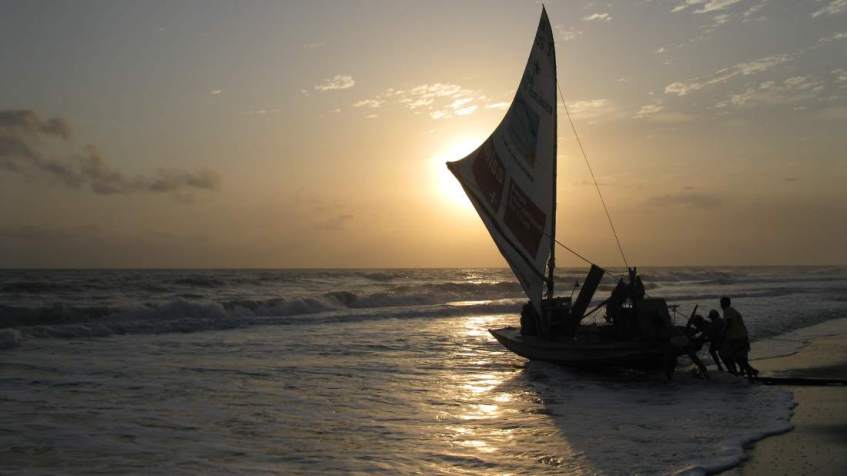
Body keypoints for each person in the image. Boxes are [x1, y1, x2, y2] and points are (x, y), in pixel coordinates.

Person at [720, 296, 758, 379]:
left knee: (735, 357)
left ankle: (750, 374)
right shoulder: (733, 310)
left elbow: (729, 323)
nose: (721, 305)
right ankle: (747, 373)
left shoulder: (727, 311)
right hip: (742, 336)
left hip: (737, 338)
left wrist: (723, 333)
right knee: (740, 357)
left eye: (721, 303)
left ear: (723, 304)